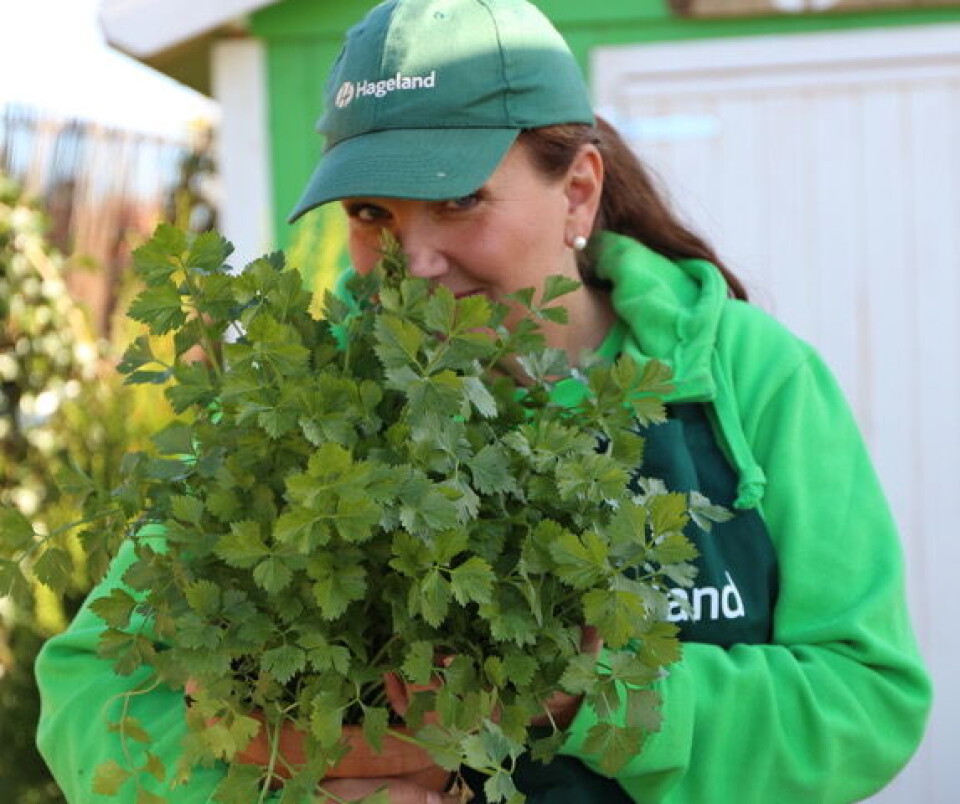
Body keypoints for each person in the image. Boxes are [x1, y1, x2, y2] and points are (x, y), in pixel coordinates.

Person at [36, 0, 932, 802]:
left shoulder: (751, 376)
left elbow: (866, 702)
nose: (414, 260)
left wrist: (599, 690)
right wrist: (298, 787)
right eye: (371, 215)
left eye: (460, 200)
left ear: (576, 189)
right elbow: (91, 696)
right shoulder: (302, 398)